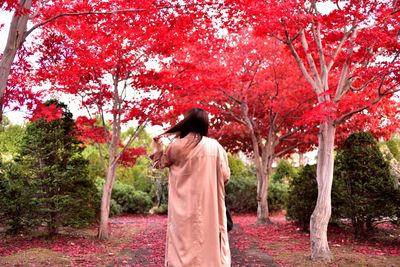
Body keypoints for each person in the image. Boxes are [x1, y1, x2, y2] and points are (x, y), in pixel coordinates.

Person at [150, 107, 231, 267]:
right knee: (209, 250)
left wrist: (157, 147)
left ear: (186, 122)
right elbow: (225, 176)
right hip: (209, 210)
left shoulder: (177, 146)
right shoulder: (215, 147)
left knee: (182, 250)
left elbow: (158, 164)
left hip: (183, 211)